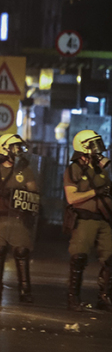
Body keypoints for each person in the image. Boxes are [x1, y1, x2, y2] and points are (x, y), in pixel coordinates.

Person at [0, 134, 39, 304]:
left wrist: (24, 197)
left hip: (19, 218)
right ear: (4, 149)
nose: (19, 151)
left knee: (21, 252)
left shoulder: (25, 171)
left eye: (19, 147)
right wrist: (0, 193)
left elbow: (34, 194)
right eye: (15, 147)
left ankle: (25, 291)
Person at [63, 130, 112, 311]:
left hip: (104, 219)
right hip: (85, 219)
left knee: (110, 258)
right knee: (79, 257)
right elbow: (71, 198)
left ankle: (104, 297)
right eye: (93, 144)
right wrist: (94, 192)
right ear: (83, 146)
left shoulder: (101, 169)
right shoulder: (73, 169)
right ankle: (73, 299)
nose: (97, 148)